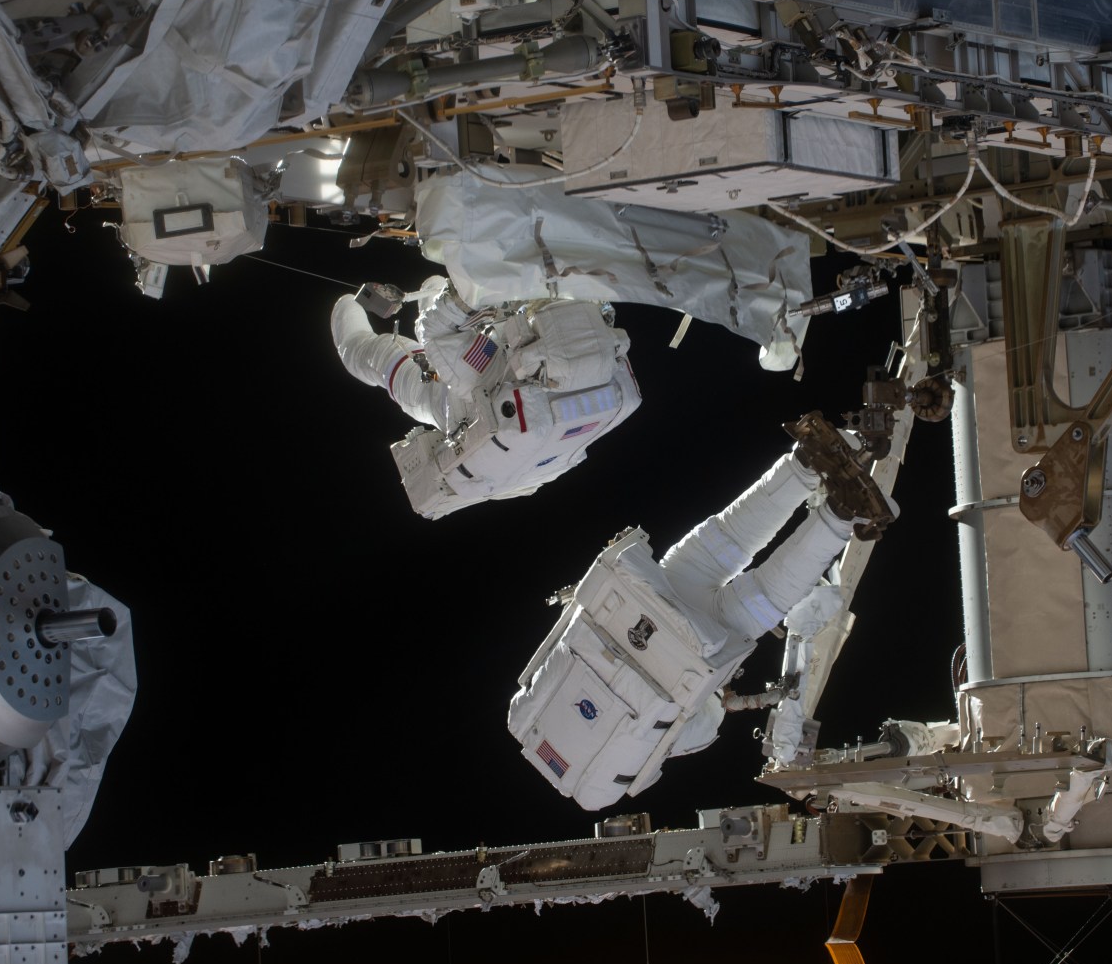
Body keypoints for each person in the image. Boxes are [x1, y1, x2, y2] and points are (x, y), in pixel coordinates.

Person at [508, 413, 894, 809]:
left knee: (768, 591)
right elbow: (568, 626)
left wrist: (718, 696)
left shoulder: (612, 776)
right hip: (645, 593)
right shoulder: (526, 712)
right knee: (730, 537)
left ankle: (840, 515)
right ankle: (804, 463)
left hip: (703, 646)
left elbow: (703, 721)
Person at [330, 278, 639, 518]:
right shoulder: (605, 359)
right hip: (528, 469)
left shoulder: (490, 365)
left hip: (456, 407)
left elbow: (434, 330)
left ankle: (344, 306)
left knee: (383, 348)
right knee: (435, 293)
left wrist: (469, 288)